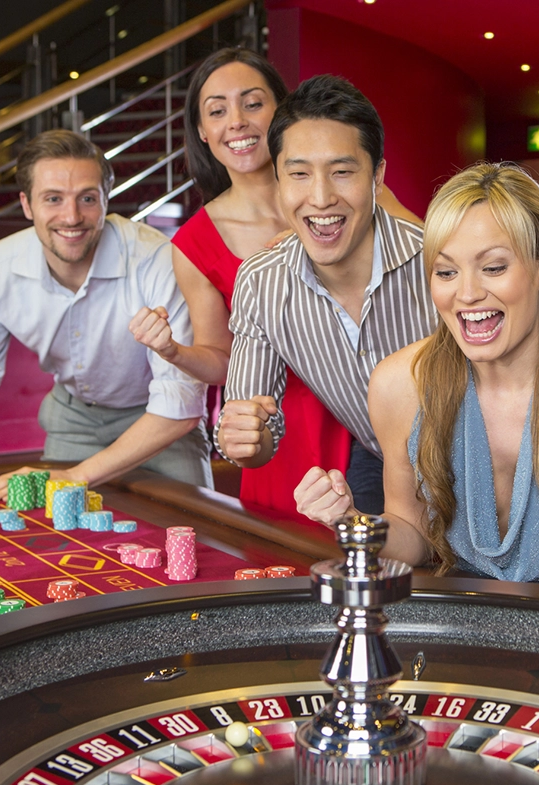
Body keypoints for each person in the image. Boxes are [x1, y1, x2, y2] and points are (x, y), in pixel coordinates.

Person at [295, 163, 539, 595]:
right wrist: (354, 523)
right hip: (474, 625)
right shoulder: (398, 385)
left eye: (493, 268)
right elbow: (414, 535)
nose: (467, 293)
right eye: (446, 272)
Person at [130, 48, 418, 519]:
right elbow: (231, 371)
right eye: (218, 110)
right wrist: (175, 356)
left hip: (382, 424)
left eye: (253, 103)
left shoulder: (362, 196)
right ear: (202, 131)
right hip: (300, 419)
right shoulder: (245, 268)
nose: (237, 121)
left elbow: (427, 262)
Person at [0, 130, 211, 502]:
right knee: (63, 545)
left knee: (198, 539)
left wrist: (75, 475)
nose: (72, 216)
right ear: (27, 205)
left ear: (106, 200)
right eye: (53, 199)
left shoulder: (157, 259)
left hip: (160, 422)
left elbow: (180, 404)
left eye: (87, 198)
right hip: (73, 417)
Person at [214, 75, 437, 514]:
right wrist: (241, 437)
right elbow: (257, 435)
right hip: (382, 464)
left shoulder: (437, 263)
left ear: (377, 177)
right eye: (298, 174)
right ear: (277, 181)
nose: (319, 197)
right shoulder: (262, 281)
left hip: (490, 469)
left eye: (342, 172)